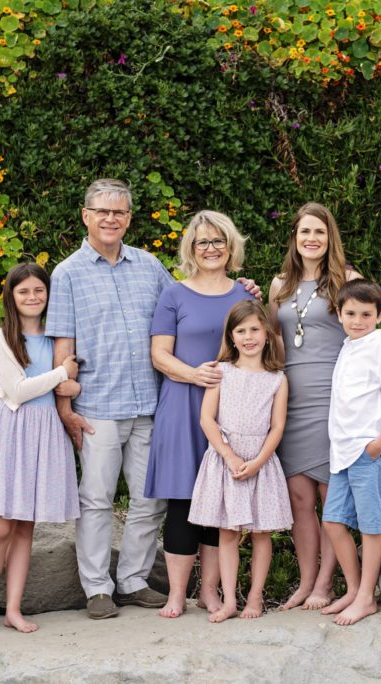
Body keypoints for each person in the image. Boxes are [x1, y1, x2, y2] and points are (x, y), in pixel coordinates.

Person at [47, 179, 260, 620]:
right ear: (86, 215)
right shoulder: (67, 273)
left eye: (119, 212)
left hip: (149, 404)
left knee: (151, 500)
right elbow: (62, 346)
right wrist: (64, 408)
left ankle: (133, 581)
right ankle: (97, 587)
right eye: (102, 212)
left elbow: (197, 297)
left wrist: (247, 288)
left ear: (129, 218)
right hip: (97, 407)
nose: (111, 219)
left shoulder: (149, 267)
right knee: (97, 498)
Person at [0, 263, 81, 640]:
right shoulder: (3, 337)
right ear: (11, 297)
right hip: (13, 430)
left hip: (47, 430)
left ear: (49, 295)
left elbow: (73, 385)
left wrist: (71, 386)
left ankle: (13, 608)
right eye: (23, 291)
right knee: (1, 525)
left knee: (27, 525)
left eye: (39, 291)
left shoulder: (59, 338)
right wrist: (63, 375)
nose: (32, 298)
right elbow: (17, 390)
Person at [145, 211, 253, 619]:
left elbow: (259, 346)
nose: (211, 248)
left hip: (229, 411)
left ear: (231, 246)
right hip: (181, 405)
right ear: (191, 248)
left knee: (219, 502)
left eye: (218, 241)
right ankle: (176, 595)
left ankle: (209, 592)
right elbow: (159, 354)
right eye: (202, 242)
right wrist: (194, 374)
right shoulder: (174, 294)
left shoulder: (245, 295)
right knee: (182, 500)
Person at [267, 203, 362, 610]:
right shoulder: (279, 286)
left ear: (330, 238)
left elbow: (363, 340)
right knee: (299, 499)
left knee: (330, 496)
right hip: (291, 398)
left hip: (333, 399)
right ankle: (305, 582)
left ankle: (326, 583)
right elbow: (269, 341)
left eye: (319, 233)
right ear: (295, 237)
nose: (311, 239)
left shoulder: (348, 280)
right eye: (305, 231)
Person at [188, 300, 293, 623]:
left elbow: (277, 427)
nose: (249, 337)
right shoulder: (221, 371)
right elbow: (207, 419)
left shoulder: (277, 379)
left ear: (267, 333)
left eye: (255, 330)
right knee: (228, 532)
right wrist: (229, 455)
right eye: (241, 331)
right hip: (226, 459)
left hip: (261, 461)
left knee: (261, 533)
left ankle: (256, 596)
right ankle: (230, 598)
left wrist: (259, 460)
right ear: (232, 337)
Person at [321, 279, 381, 626]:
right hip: (342, 452)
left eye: (366, 314)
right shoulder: (348, 347)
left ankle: (366, 597)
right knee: (332, 521)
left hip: (367, 451)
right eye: (350, 313)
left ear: (379, 315)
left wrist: (378, 445)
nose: (357, 320)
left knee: (370, 527)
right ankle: (354, 589)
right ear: (340, 314)